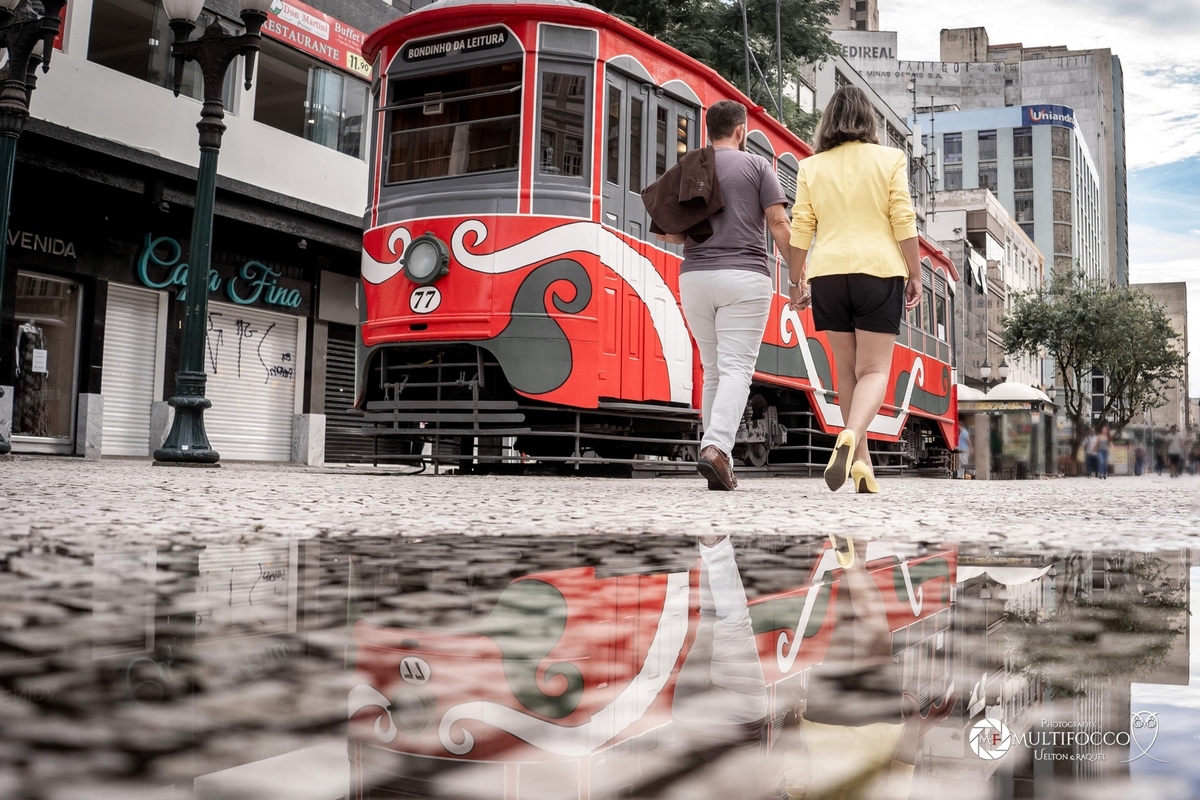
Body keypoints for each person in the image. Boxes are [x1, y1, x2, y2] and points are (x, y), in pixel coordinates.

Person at [787, 86, 921, 493]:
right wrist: (914, 273)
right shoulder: (890, 160)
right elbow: (903, 218)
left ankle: (862, 466)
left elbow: (801, 227)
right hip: (878, 272)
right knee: (875, 371)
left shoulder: (812, 167)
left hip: (828, 275)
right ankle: (850, 438)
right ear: (869, 121)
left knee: (845, 373)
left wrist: (796, 281)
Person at [661, 99, 796, 491]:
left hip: (695, 279)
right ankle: (717, 448)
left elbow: (669, 232)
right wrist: (800, 275)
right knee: (737, 368)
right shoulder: (757, 167)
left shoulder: (692, 167)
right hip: (744, 278)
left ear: (708, 131)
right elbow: (779, 224)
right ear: (740, 131)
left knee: (714, 370)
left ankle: (716, 459)